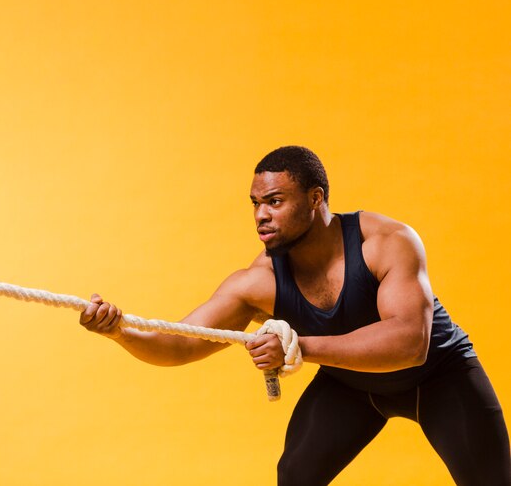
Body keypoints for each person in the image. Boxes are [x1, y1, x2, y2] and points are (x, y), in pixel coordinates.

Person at [80, 145, 510, 485]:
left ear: (315, 198)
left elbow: (408, 344)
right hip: (351, 385)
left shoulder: (387, 241)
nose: (260, 215)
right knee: (295, 476)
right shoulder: (258, 281)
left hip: (439, 376)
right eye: (254, 203)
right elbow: (179, 345)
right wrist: (119, 331)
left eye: (274, 201)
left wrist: (297, 346)